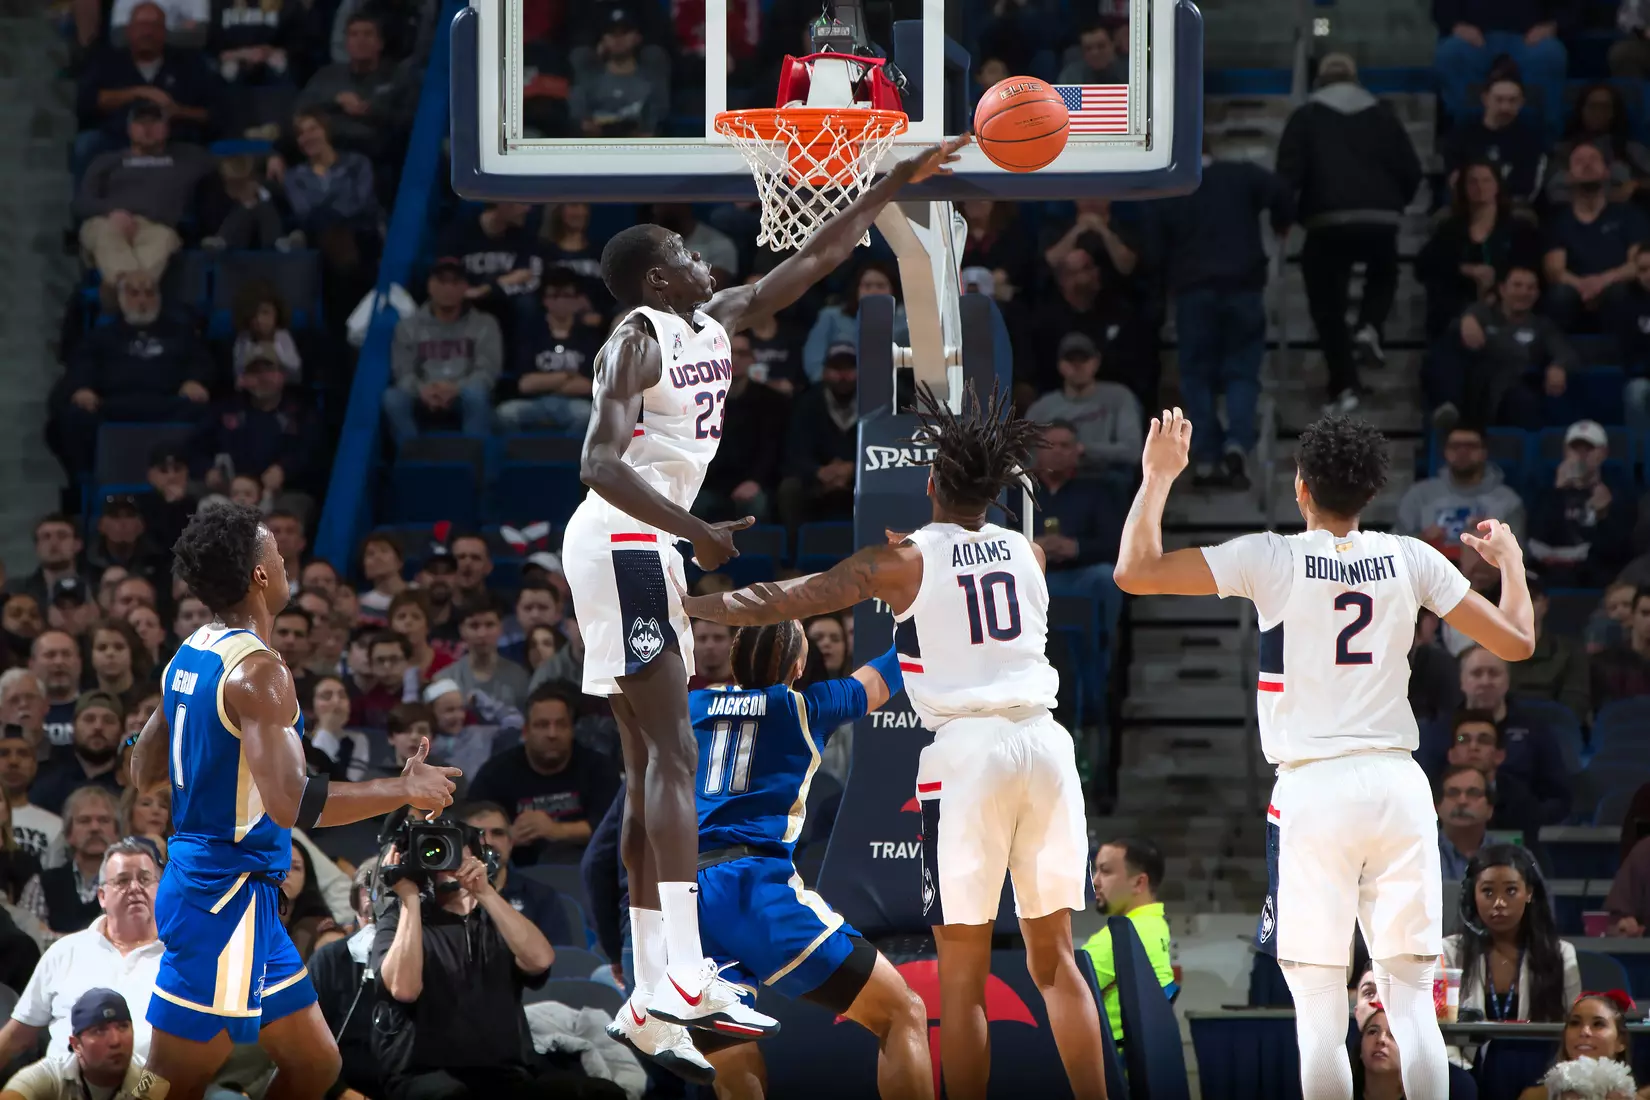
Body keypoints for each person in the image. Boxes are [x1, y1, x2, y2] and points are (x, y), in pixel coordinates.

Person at [562, 134, 967, 1069]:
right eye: (683, 251)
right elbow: (596, 463)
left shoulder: (712, 318)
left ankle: (650, 992)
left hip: (644, 546)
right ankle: (681, 974)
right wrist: (695, 532)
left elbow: (814, 258)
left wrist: (887, 186)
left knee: (645, 763)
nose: (702, 255)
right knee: (670, 754)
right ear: (655, 279)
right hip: (626, 539)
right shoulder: (635, 337)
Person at [681, 383, 1105, 1100]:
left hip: (970, 753)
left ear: (931, 483)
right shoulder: (1028, 552)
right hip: (1046, 744)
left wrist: (688, 602)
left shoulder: (901, 561)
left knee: (962, 979)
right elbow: (965, 601)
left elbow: (786, 599)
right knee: (1056, 962)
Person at [1108, 410, 1536, 1100]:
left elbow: (1135, 571)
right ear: (1373, 491)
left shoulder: (1270, 556)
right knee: (1412, 1000)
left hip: (1314, 788)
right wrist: (1509, 561)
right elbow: (1517, 642)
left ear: (1301, 487)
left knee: (1318, 1010)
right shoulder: (1412, 558)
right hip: (1397, 786)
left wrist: (1158, 478)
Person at [124, 504, 460, 1100]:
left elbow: (142, 772)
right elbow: (293, 805)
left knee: (315, 1066)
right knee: (164, 1083)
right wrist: (404, 789)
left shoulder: (191, 652)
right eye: (277, 554)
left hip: (236, 891)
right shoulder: (260, 674)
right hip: (222, 899)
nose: (284, 563)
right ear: (259, 574)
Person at [669, 622, 930, 1095]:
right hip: (753, 888)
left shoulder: (694, 705)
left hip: (689, 897)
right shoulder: (807, 707)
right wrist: (922, 612)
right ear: (799, 667)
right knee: (902, 1012)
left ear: (733, 662)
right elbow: (889, 670)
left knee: (734, 1062)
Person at [1276, 54, 1423, 413]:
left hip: (1326, 220)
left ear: (1318, 82)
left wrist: (1285, 217)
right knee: (1384, 270)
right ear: (1356, 80)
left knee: (1328, 306)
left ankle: (1344, 383)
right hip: (1379, 217)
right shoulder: (1384, 115)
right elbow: (1412, 170)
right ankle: (1370, 324)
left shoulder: (1305, 117)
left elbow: (1287, 175)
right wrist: (1394, 204)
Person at [0, 839, 164, 1064]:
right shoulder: (65, 952)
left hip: (148, 1082)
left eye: (145, 879)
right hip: (62, 1081)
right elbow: (16, 1037)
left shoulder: (179, 958)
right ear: (102, 896)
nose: (135, 888)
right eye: (123, 880)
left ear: (160, 890)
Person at [466, 683, 620, 866]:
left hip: (587, 868)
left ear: (572, 730)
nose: (552, 734)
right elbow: (470, 826)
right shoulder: (495, 773)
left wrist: (556, 830)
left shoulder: (598, 767)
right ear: (525, 731)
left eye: (561, 724)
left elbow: (614, 826)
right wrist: (505, 835)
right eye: (542, 725)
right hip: (516, 871)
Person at [1443, 845, 1579, 1022]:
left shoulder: (1561, 954)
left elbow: (1571, 1025)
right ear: (1472, 895)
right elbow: (1440, 1027)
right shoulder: (1451, 952)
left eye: (1511, 891)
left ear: (1529, 893)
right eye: (1488, 892)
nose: (1499, 902)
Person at [1080, 839, 1174, 1048]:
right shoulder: (1156, 925)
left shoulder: (1124, 936)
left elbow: (1052, 996)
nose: (1095, 881)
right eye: (1096, 870)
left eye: (1106, 871)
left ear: (1139, 883)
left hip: (1111, 1065)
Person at [0, 988, 148, 1099]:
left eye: (123, 1027)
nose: (116, 1041)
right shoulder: (52, 1075)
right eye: (99, 1031)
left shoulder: (149, 1079)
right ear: (76, 1045)